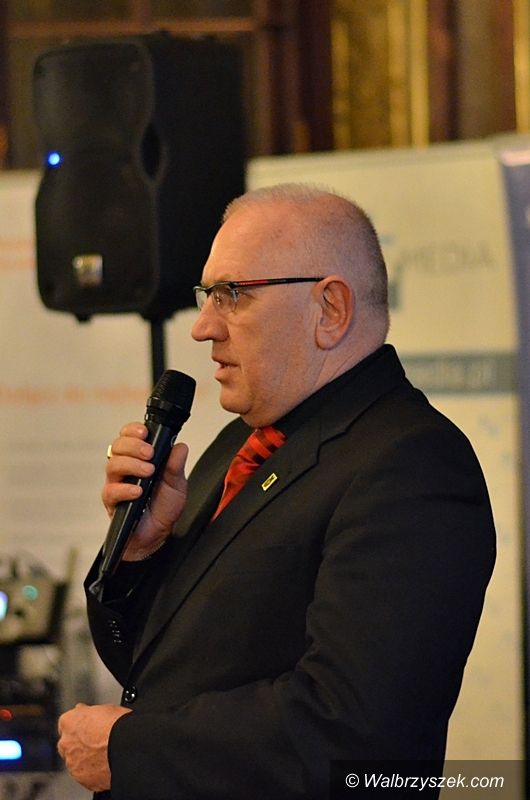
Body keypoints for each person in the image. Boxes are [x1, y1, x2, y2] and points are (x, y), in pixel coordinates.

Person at [57, 184, 496, 799]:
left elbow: (353, 733)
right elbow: (156, 669)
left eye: (233, 294)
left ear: (330, 309)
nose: (202, 327)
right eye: (207, 295)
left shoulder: (413, 466)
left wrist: (130, 750)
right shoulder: (243, 440)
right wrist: (138, 553)